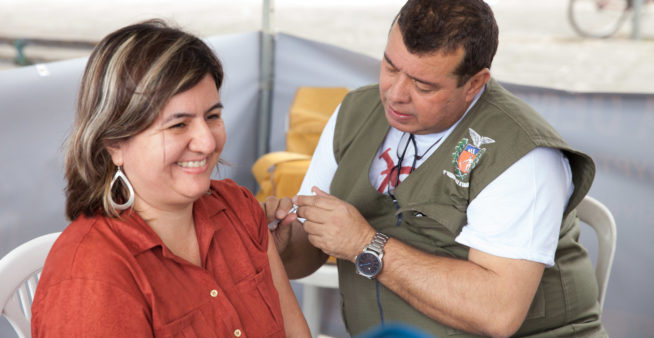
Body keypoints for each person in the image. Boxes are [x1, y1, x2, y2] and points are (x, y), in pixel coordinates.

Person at [264, 0, 607, 337]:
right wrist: (279, 244)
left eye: (423, 85)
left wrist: (365, 244)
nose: (395, 94)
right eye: (389, 67)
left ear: (474, 83)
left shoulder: (523, 154)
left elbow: (497, 312)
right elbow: (304, 258)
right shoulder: (355, 113)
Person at [31, 20, 310, 338]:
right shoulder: (92, 274)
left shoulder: (238, 208)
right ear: (114, 145)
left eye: (213, 116)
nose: (207, 142)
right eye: (178, 125)